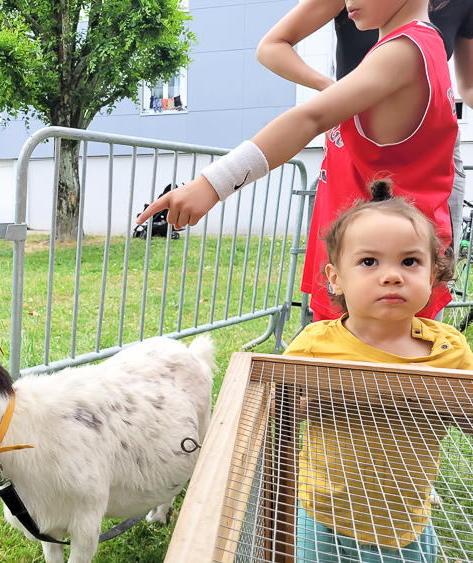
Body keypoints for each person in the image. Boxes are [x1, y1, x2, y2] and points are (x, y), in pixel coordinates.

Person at [136, 0, 459, 321]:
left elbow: (310, 118)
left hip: (377, 281)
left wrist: (213, 184)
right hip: (374, 267)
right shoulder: (418, 46)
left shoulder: (405, 50)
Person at [284, 179, 473, 563]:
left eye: (410, 261)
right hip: (323, 520)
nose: (392, 275)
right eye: (369, 262)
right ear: (335, 278)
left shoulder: (449, 349)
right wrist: (317, 403)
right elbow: (282, 410)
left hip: (407, 525)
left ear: (434, 274)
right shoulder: (313, 344)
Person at [255, 0, 473, 305]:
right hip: (352, 137)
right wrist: (335, 93)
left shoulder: (423, 35)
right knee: (344, 270)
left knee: (410, 271)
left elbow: (469, 86)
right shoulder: (398, 32)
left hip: (420, 143)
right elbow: (272, 47)